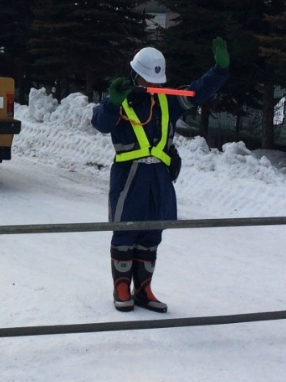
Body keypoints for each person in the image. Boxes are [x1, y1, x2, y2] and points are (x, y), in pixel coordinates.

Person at [91, 38, 230, 312]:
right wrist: (111, 104)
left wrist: (220, 70)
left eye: (155, 80)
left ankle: (143, 289)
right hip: (129, 176)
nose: (150, 85)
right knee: (126, 231)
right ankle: (121, 288)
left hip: (158, 177)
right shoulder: (120, 99)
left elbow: (198, 91)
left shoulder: (168, 101)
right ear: (134, 75)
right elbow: (100, 123)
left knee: (152, 233)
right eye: (145, 79)